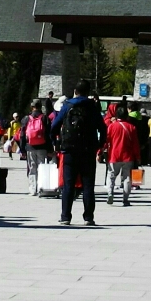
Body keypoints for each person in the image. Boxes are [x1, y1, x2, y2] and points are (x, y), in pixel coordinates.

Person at [52, 79, 105, 226]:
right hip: (88, 150)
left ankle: (65, 216)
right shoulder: (92, 107)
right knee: (88, 185)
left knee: (68, 185)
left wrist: (56, 143)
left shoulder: (67, 106)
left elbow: (54, 126)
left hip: (69, 150)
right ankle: (88, 217)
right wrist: (99, 146)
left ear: (75, 91)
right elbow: (102, 128)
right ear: (88, 93)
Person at [105, 107, 142, 205]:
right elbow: (135, 144)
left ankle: (110, 194)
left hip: (114, 155)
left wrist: (101, 151)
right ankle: (125, 199)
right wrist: (138, 157)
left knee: (111, 175)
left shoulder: (112, 127)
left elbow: (107, 140)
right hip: (128, 156)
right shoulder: (132, 127)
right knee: (127, 178)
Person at [22, 100, 53, 196]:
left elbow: (22, 135)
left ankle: (32, 189)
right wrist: (50, 149)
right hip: (42, 147)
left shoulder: (26, 119)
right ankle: (41, 188)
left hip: (30, 147)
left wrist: (23, 149)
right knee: (41, 167)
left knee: (32, 168)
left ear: (32, 107)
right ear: (40, 107)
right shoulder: (45, 118)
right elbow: (48, 135)